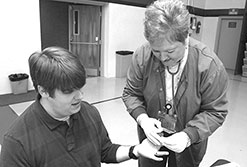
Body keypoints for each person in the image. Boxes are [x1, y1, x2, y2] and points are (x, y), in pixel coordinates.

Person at [0, 46, 169, 167]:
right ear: (43, 91)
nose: (80, 96)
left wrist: (137, 150)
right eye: (68, 91)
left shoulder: (88, 111)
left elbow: (105, 151)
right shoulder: (17, 142)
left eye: (80, 88)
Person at [122, 0, 229, 167]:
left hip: (189, 142)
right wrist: (143, 119)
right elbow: (131, 93)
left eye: (170, 51)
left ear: (186, 37)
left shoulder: (209, 66)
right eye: (156, 51)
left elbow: (215, 111)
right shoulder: (142, 55)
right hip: (152, 136)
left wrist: (189, 135)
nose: (163, 58)